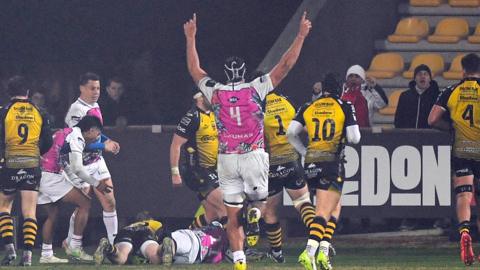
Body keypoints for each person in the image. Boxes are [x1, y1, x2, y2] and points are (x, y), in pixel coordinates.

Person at [184, 11, 311, 270]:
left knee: (232, 215)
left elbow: (194, 70)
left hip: (227, 158)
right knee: (259, 202)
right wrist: (300, 35)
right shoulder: (256, 88)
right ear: (244, 72)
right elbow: (285, 65)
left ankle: (239, 261)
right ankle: (254, 212)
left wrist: (190, 38)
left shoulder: (215, 91)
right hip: (254, 154)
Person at [288, 73, 361, 270]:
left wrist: (304, 151)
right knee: (323, 210)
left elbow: (291, 132)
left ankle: (324, 249)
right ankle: (310, 251)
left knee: (335, 205)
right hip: (331, 162)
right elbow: (354, 138)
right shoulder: (344, 105)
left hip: (310, 164)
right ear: (341, 88)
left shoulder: (308, 106)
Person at [428, 53, 480, 266]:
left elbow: (432, 119)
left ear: (463, 70)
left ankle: (464, 231)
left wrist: (450, 127)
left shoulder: (451, 91)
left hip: (461, 150)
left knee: (464, 194)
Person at [38, 116, 113, 263]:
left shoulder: (66, 132)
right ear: (90, 131)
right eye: (98, 134)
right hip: (50, 176)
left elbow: (65, 162)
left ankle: (46, 254)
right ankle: (75, 247)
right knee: (85, 203)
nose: (98, 137)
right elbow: (78, 168)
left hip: (41, 173)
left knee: (52, 215)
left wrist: (75, 181)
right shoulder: (77, 137)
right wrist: (98, 184)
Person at [0, 76, 53, 266]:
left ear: (8, 93)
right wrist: (38, 152)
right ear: (28, 93)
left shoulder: (4, 112)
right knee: (29, 211)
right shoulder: (40, 112)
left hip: (10, 164)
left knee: (4, 207)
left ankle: (10, 249)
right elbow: (49, 141)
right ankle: (28, 256)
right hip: (31, 164)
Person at [64, 72, 120, 247]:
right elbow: (77, 143)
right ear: (81, 88)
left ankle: (114, 245)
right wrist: (104, 146)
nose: (96, 91)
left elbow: (94, 132)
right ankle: (72, 243)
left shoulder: (95, 105)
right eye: (92, 88)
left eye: (98, 88)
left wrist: (106, 140)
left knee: (110, 201)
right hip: (80, 165)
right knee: (83, 205)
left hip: (96, 161)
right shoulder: (76, 111)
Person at [263, 88, 316, 263]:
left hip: (271, 165)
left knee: (270, 211)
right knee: (303, 203)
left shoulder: (258, 106)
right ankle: (318, 240)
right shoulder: (286, 103)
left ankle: (277, 253)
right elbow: (300, 128)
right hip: (292, 161)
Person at [170, 89, 226, 228]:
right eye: (211, 96)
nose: (215, 99)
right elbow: (175, 145)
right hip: (197, 170)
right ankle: (236, 249)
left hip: (213, 170)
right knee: (227, 209)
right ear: (200, 98)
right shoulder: (192, 117)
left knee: (212, 214)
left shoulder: (214, 115)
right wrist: (175, 173)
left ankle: (186, 237)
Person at [93, 213, 168, 265]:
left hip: (126, 231)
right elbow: (161, 231)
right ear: (149, 218)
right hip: (144, 232)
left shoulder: (131, 225)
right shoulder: (152, 222)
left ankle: (108, 247)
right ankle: (163, 247)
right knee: (155, 258)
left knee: (121, 258)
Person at [395, 64, 440, 129]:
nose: (422, 76)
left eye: (425, 74)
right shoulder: (405, 96)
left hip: (430, 136)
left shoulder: (438, 96)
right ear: (415, 79)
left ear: (430, 79)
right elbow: (398, 120)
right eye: (419, 74)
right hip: (409, 136)